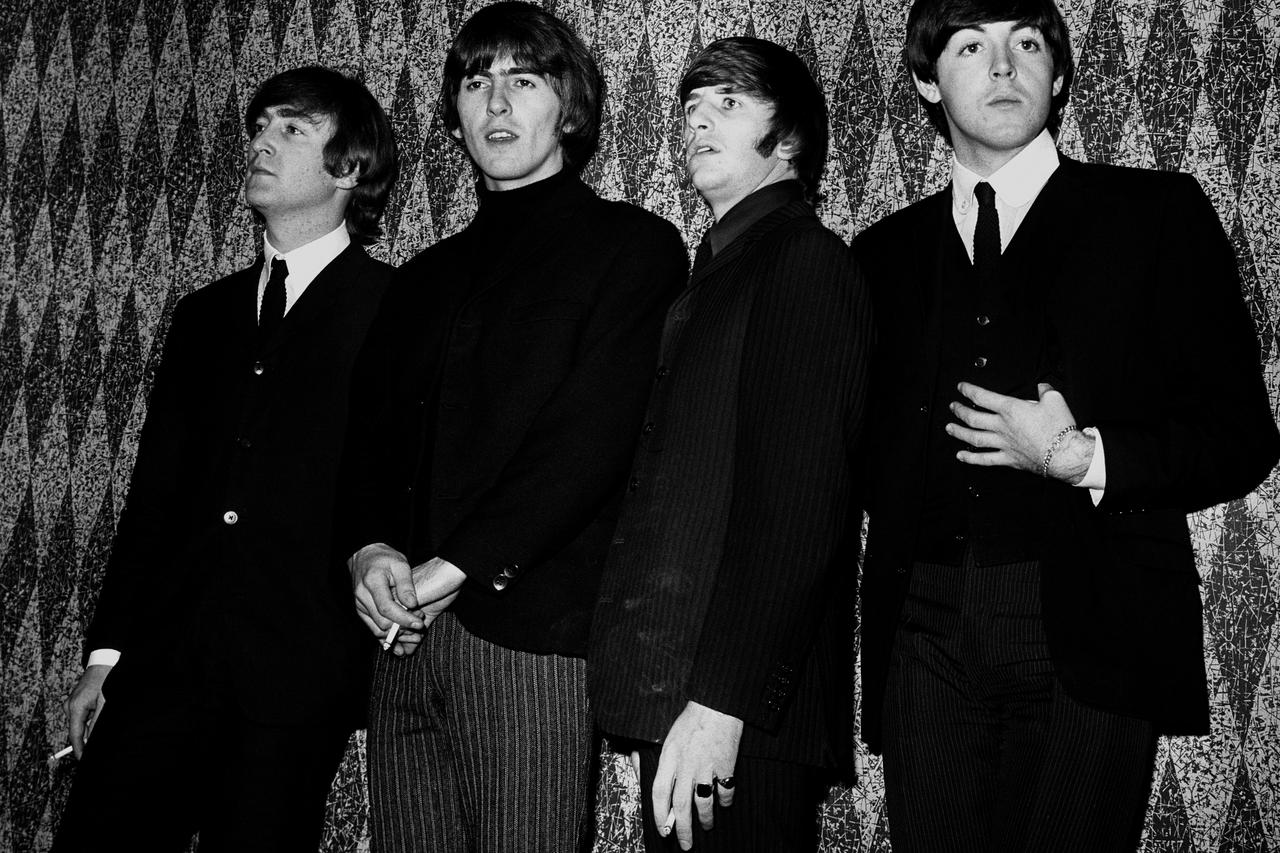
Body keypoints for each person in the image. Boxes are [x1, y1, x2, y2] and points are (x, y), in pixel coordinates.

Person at [851, 0, 1280, 848]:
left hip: (1092, 623)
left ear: (1059, 73)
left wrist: (1077, 455)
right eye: (970, 46)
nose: (1003, 66)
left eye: (1028, 43)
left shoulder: (1156, 214)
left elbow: (1241, 434)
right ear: (924, 82)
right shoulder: (879, 253)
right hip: (920, 633)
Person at [338, 4, 687, 851]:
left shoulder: (632, 246)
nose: (495, 101)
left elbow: (587, 441)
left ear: (567, 106)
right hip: (402, 643)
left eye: (523, 80)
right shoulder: (421, 278)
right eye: (475, 81)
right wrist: (371, 550)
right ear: (455, 115)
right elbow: (368, 443)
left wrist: (446, 570)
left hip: (531, 638)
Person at [53, 66, 398, 852]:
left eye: (292, 128)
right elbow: (155, 496)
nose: (261, 140)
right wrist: (106, 657)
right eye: (259, 125)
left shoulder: (393, 308)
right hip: (160, 670)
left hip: (293, 681)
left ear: (349, 169)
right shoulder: (202, 315)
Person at [588, 36, 871, 853]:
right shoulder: (723, 267)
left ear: (787, 140)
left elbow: (798, 507)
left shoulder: (804, 262)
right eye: (690, 108)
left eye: (729, 104)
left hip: (734, 712)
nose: (697, 123)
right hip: (685, 692)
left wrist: (722, 705)